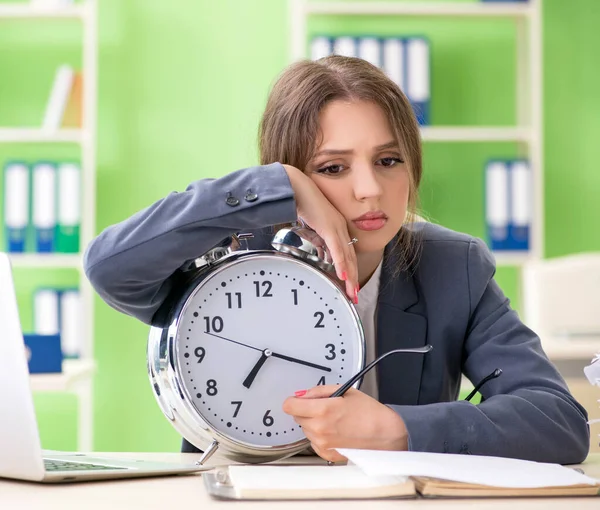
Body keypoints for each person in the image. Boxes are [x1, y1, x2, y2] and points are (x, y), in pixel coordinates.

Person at [84, 56, 589, 464]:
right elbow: (109, 267)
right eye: (332, 168)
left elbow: (557, 422)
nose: (370, 190)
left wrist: (398, 429)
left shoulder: (451, 267)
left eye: (388, 160)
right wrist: (275, 186)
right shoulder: (231, 258)